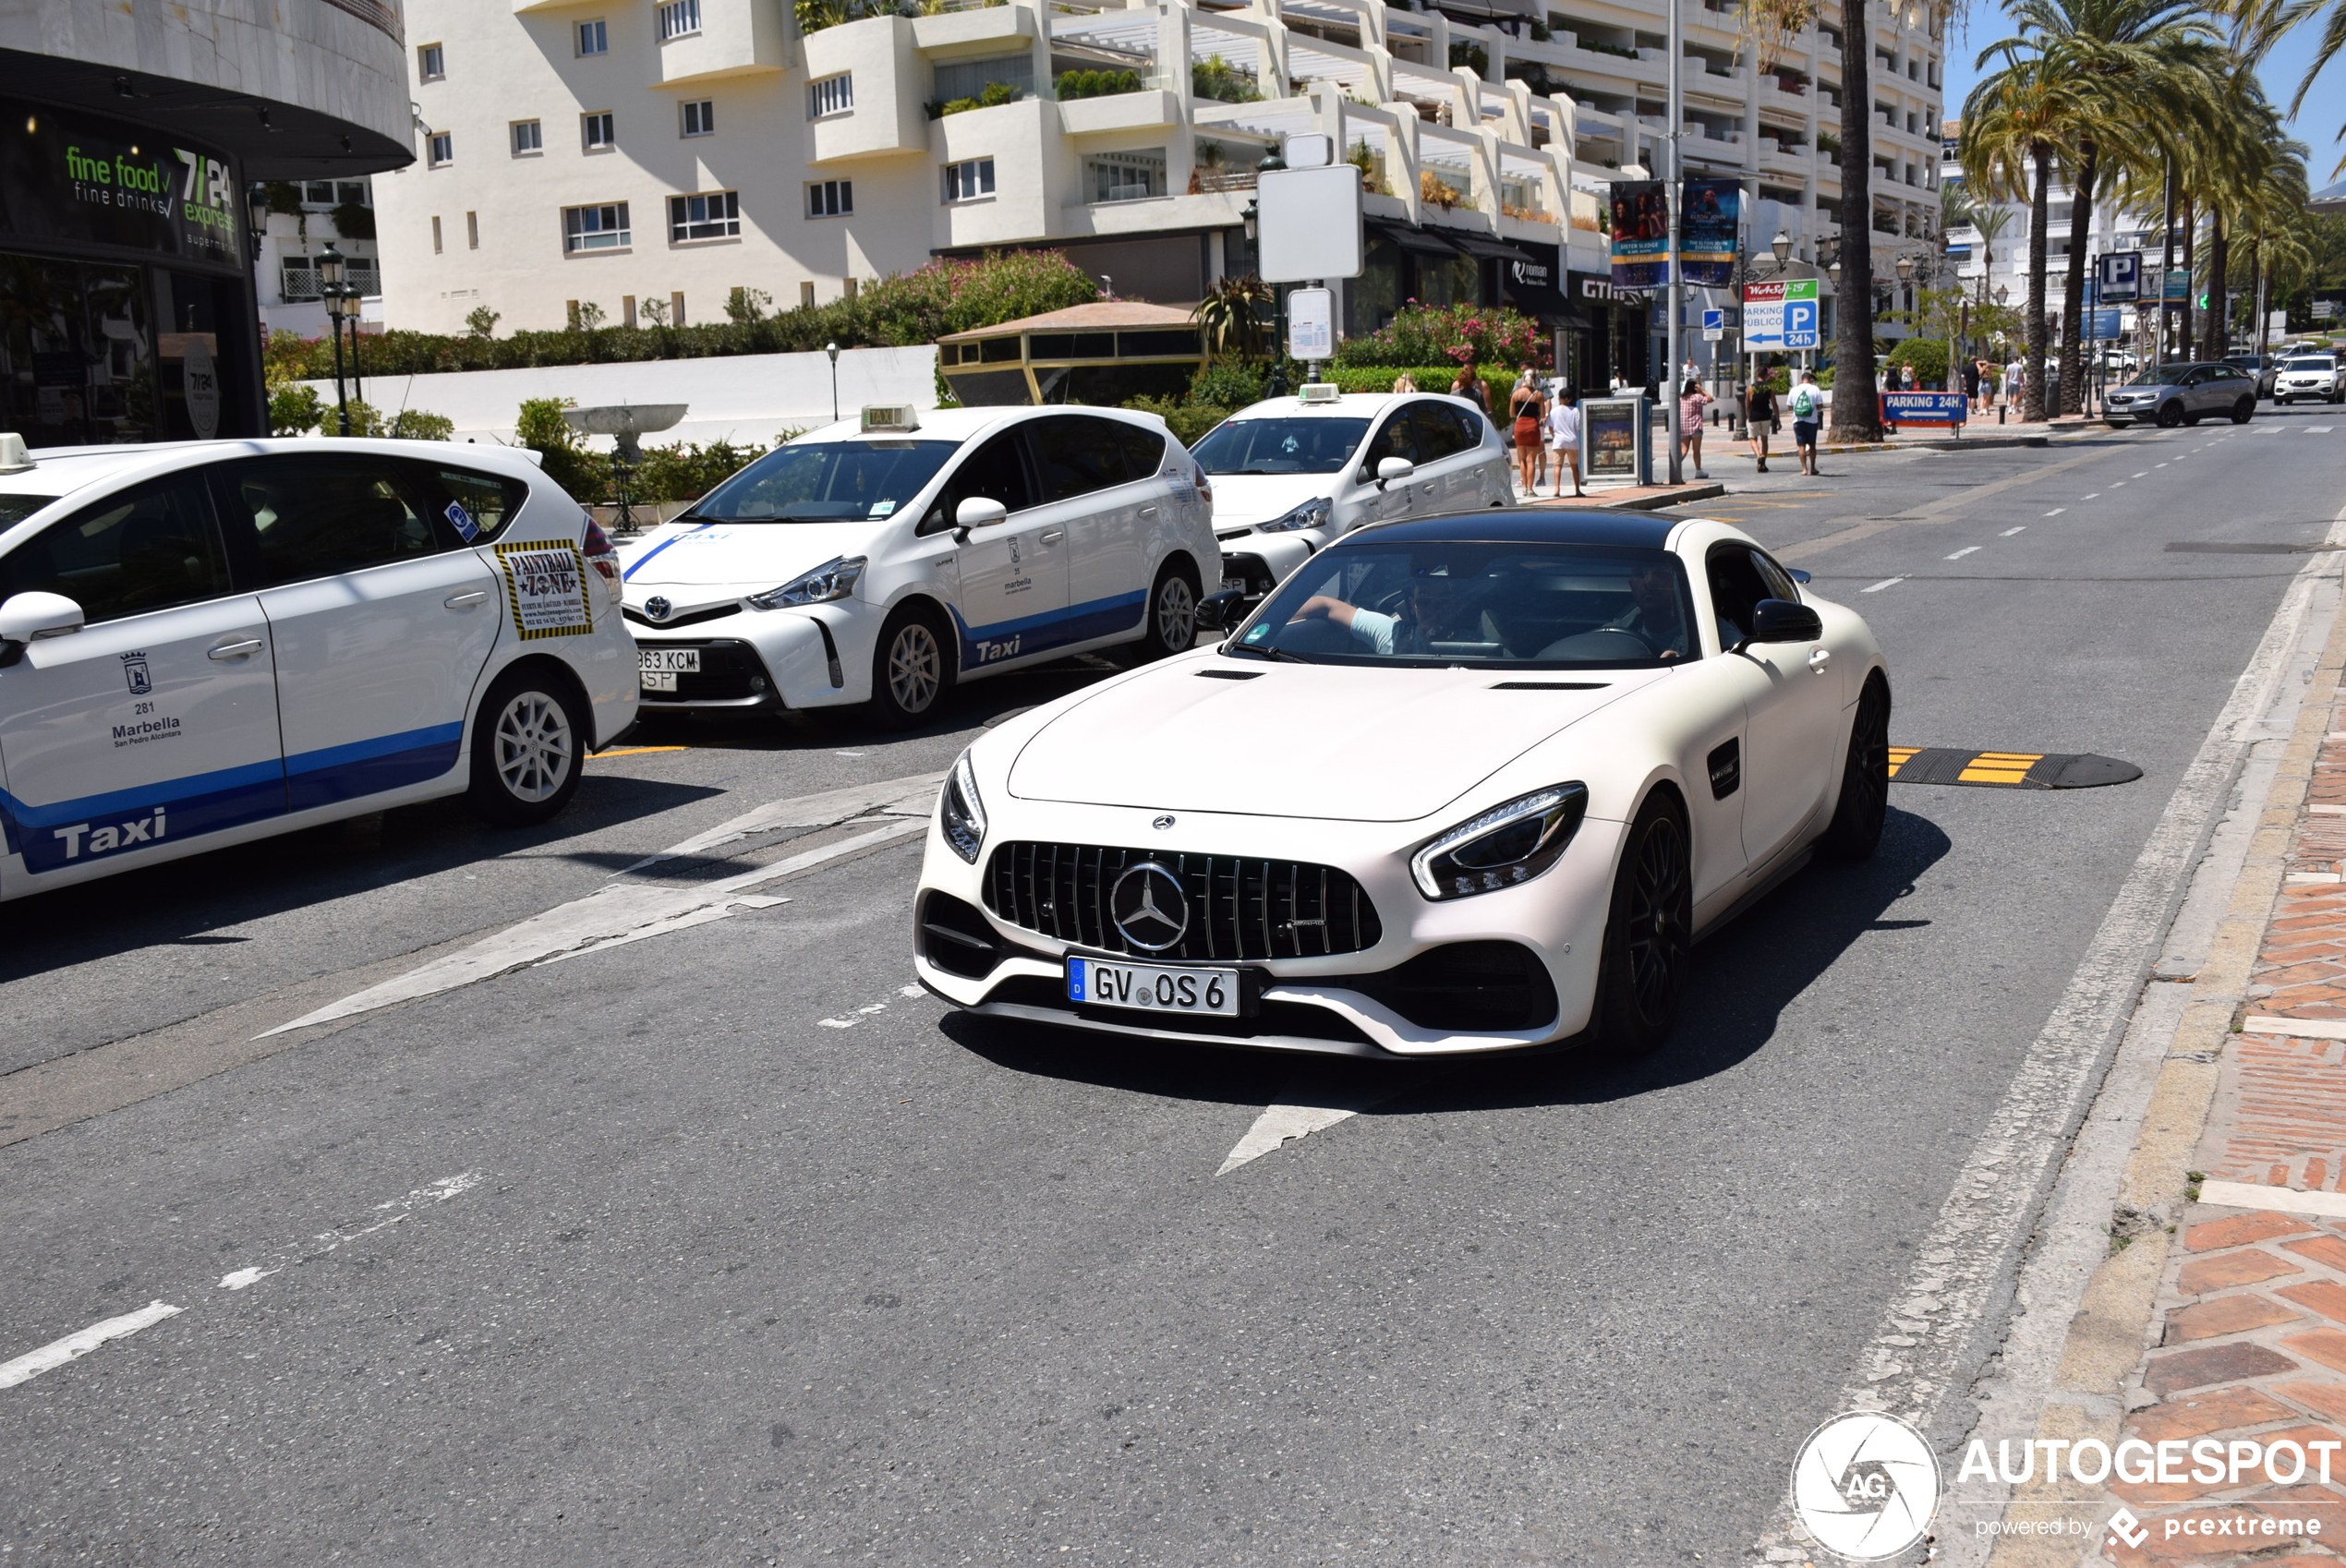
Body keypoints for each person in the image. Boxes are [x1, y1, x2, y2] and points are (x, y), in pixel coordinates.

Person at [1293, 569, 1484, 656]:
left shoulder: (1479, 648)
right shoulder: (1391, 633)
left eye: (1442, 603)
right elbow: (1327, 605)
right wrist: (1271, 623)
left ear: (1453, 606)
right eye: (1424, 601)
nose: (1432, 609)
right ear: (1412, 605)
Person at [1509, 369, 1547, 495]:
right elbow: (1542, 414)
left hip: (1519, 426)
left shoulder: (1516, 394)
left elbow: (1512, 413)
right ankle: (1530, 489)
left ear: (1522, 379)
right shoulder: (1539, 395)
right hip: (1532, 426)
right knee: (1531, 460)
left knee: (1522, 460)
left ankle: (1524, 488)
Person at [1546, 386, 1585, 497]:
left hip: (1558, 441)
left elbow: (1550, 427)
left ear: (1559, 398)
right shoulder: (1575, 411)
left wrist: (1555, 436)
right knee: (1574, 466)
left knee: (1558, 466)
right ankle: (1577, 490)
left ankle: (1557, 489)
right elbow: (1578, 426)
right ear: (1570, 399)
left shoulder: (1554, 411)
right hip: (1572, 441)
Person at [1789, 368, 1823, 476]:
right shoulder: (1815, 389)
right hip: (1812, 422)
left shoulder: (1794, 390)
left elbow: (1790, 407)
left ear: (1801, 380)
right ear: (1810, 380)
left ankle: (1804, 469)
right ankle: (1813, 468)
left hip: (1798, 421)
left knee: (1801, 446)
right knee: (1812, 445)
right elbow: (1819, 406)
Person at [1679, 378, 1712, 480]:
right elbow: (1710, 399)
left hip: (1684, 427)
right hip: (1695, 426)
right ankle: (1698, 471)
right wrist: (1702, 391)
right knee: (1696, 450)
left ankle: (1675, 466)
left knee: (1684, 449)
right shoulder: (1696, 397)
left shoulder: (1682, 398)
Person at [1744, 376, 1777, 473]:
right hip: (1766, 415)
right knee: (1764, 439)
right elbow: (1774, 403)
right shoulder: (1769, 387)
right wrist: (1777, 418)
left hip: (1754, 416)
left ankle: (1759, 456)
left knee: (1753, 438)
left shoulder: (1751, 388)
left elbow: (1748, 403)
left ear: (1757, 375)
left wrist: (1749, 415)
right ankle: (1763, 463)